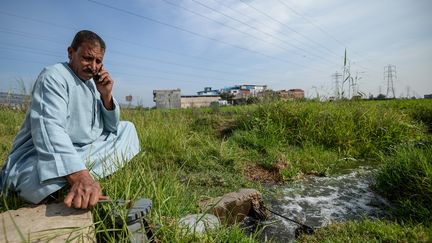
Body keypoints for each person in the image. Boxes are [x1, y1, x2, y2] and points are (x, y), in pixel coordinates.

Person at [0, 30, 140, 209]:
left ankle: (75, 174)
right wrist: (80, 176)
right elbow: (50, 129)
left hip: (84, 148)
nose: (93, 66)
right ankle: (76, 177)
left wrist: (106, 95)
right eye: (87, 58)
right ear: (70, 52)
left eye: (98, 61)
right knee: (32, 177)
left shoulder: (93, 83)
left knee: (127, 128)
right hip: (41, 153)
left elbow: (111, 127)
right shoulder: (53, 76)